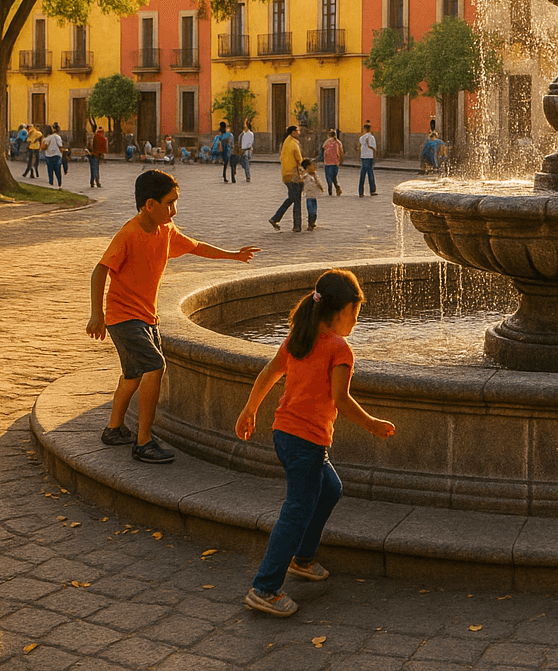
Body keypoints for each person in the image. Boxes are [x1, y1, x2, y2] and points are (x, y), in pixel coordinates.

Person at [235, 269, 395, 617]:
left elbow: (269, 372)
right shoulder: (340, 348)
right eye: (355, 313)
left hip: (285, 434)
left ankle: (302, 558)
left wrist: (250, 409)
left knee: (330, 489)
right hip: (306, 443)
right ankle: (265, 588)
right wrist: (372, 424)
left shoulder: (300, 335)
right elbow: (342, 399)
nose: (356, 321)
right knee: (295, 511)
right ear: (339, 312)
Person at [87, 170, 260, 463]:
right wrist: (97, 314)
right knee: (155, 366)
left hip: (146, 317)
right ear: (149, 205)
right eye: (169, 203)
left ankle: (114, 429)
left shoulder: (166, 230)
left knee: (132, 376)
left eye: (176, 202)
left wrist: (232, 255)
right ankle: (143, 442)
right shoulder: (129, 234)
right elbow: (100, 270)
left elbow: (196, 247)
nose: (174, 210)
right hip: (124, 317)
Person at [269, 125, 305, 232]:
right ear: (293, 132)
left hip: (286, 174)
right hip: (293, 175)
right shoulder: (293, 144)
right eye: (297, 131)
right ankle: (296, 225)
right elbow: (299, 160)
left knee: (292, 198)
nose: (298, 133)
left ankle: (275, 218)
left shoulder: (285, 142)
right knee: (297, 200)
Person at [300, 159, 323, 231]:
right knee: (311, 211)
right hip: (309, 196)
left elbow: (318, 182)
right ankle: (310, 223)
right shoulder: (305, 176)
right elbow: (302, 183)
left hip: (314, 196)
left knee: (314, 211)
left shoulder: (315, 175)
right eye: (312, 166)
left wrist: (320, 187)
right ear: (307, 168)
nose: (314, 167)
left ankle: (312, 222)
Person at [357, 121, 377, 197]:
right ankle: (372, 190)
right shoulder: (371, 137)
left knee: (362, 174)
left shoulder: (362, 137)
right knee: (370, 174)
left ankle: (361, 192)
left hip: (363, 156)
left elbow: (359, 145)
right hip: (369, 156)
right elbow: (373, 147)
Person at [322, 130, 343, 196]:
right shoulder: (338, 142)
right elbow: (341, 152)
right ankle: (337, 187)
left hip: (328, 163)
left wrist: (323, 159)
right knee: (334, 177)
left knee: (328, 177)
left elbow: (324, 152)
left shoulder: (326, 142)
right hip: (335, 162)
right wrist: (341, 160)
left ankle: (330, 189)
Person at [238, 119, 255, 183]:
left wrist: (245, 149)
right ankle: (247, 172)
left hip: (247, 151)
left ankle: (248, 176)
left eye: (245, 127)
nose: (244, 128)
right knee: (242, 163)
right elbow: (239, 140)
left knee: (246, 163)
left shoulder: (251, 134)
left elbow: (250, 143)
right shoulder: (242, 134)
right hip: (241, 151)